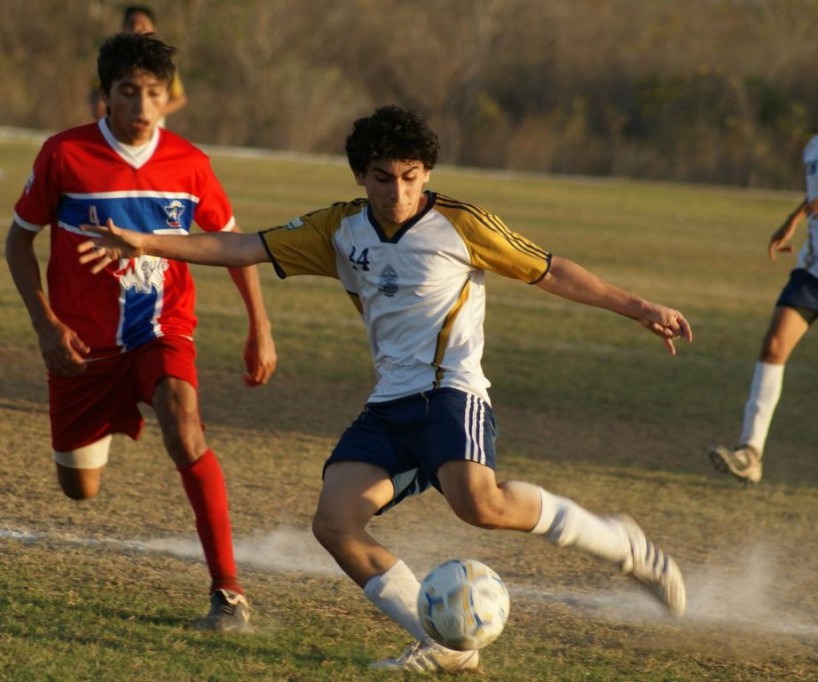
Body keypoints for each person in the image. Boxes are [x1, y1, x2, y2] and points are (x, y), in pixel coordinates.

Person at [80, 105, 692, 673]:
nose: (396, 191)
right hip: (389, 402)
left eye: (409, 176)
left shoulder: (462, 223)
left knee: (479, 504)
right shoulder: (337, 230)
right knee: (335, 521)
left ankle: (623, 544)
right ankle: (445, 644)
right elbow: (245, 246)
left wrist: (637, 306)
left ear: (426, 174)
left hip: (452, 390)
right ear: (360, 176)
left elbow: (549, 269)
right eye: (381, 177)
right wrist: (147, 241)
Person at [6, 32, 277, 632]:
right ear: (106, 95)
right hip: (80, 349)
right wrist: (46, 324)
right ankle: (99, 431)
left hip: (161, 332)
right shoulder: (64, 155)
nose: (142, 106)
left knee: (184, 430)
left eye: (154, 93)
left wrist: (260, 325)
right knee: (79, 489)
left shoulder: (190, 164)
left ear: (166, 98)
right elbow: (18, 239)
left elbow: (233, 246)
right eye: (129, 92)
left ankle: (228, 595)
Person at [708, 134, 818, 485]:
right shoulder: (813, 146)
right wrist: (794, 218)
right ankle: (750, 453)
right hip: (812, 271)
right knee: (773, 345)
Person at [89, 5, 188, 124]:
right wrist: (96, 104)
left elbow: (180, 99)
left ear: (153, 28)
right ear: (123, 29)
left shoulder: (161, 63)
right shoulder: (112, 60)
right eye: (132, 25)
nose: (137, 28)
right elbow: (95, 91)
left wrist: (155, 111)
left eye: (143, 25)